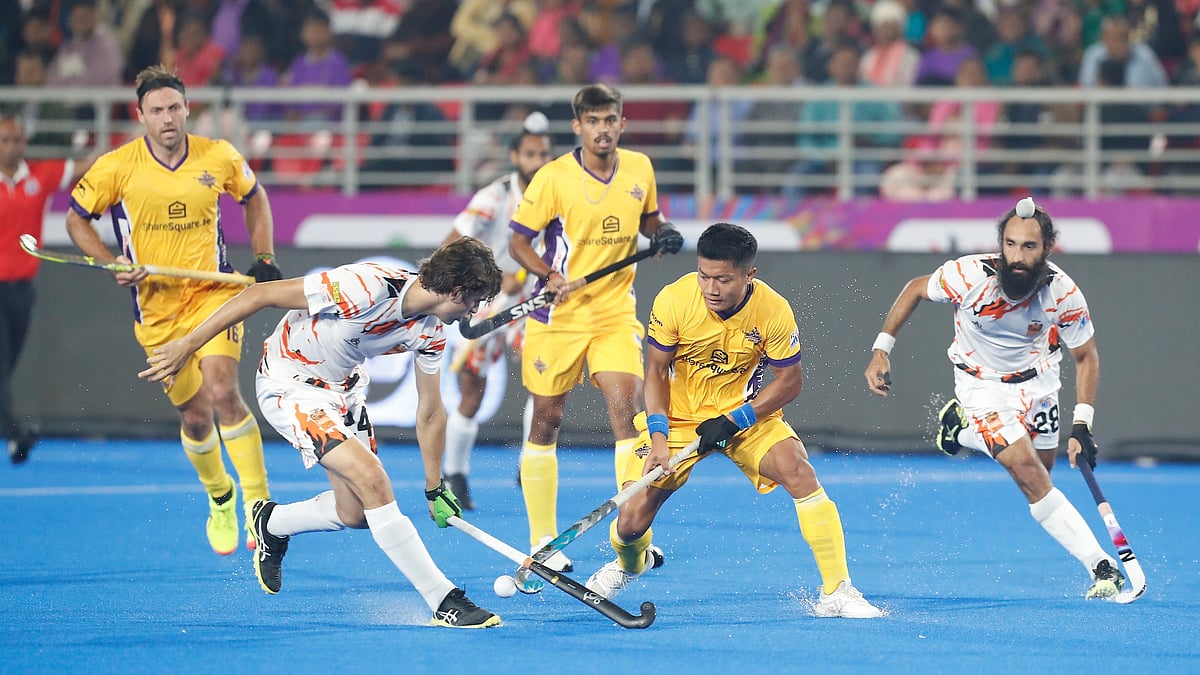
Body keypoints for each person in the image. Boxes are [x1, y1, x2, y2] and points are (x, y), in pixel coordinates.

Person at [138, 237, 505, 629]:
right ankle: (444, 599)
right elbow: (259, 295)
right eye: (475, 301)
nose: (475, 312)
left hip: (344, 392)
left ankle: (271, 523)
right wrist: (188, 344)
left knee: (357, 513)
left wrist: (435, 485)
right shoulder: (364, 286)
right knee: (372, 479)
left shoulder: (431, 332)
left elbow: (431, 410)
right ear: (455, 291)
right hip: (290, 385)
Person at [582, 223, 883, 619]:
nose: (711, 288)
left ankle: (837, 591)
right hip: (678, 419)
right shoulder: (674, 299)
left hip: (746, 417)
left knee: (799, 471)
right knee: (631, 523)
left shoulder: (773, 310)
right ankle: (629, 564)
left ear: (748, 275)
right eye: (705, 276)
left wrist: (735, 418)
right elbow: (655, 372)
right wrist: (658, 438)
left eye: (724, 279)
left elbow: (790, 383)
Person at [65, 65, 282, 556]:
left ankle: (259, 508)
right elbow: (77, 220)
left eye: (175, 108)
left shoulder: (218, 155)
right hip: (157, 311)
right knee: (196, 417)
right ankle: (220, 495)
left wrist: (264, 254)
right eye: (157, 110)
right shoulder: (116, 166)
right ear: (140, 115)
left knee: (224, 389)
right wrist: (110, 262)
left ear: (188, 109)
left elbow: (254, 196)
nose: (168, 119)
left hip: (214, 296)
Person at [863, 196, 1126, 600]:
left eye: (1029, 246)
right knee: (1028, 474)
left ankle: (961, 433)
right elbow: (916, 288)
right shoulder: (968, 275)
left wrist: (1082, 423)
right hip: (980, 384)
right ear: (1000, 243)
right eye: (1010, 244)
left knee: (1043, 469)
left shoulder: (1064, 293)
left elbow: (1085, 355)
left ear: (1047, 249)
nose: (1017, 256)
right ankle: (1100, 564)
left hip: (1040, 382)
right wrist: (882, 348)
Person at [507, 83, 683, 576]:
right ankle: (542, 539)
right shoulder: (553, 178)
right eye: (593, 121)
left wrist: (660, 230)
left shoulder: (640, 168)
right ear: (578, 126)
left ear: (622, 124)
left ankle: (633, 532)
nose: (603, 130)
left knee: (630, 415)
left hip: (613, 312)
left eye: (611, 121)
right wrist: (549, 275)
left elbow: (650, 219)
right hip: (557, 316)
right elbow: (519, 240)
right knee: (547, 420)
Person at [441, 113, 554, 509]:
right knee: (473, 389)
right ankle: (454, 474)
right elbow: (452, 245)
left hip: (534, 302)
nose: (537, 160)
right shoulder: (493, 198)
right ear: (514, 156)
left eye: (543, 153)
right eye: (529, 153)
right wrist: (492, 276)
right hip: (489, 301)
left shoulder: (558, 198)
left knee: (542, 381)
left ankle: (529, 463)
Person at [0, 114, 90, 464]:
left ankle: (11, 435)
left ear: (25, 142)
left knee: (6, 370)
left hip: (23, 290)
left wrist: (138, 148)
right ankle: (17, 435)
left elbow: (88, 166)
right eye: (4, 140)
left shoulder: (41, 174)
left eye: (16, 140)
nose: (10, 146)